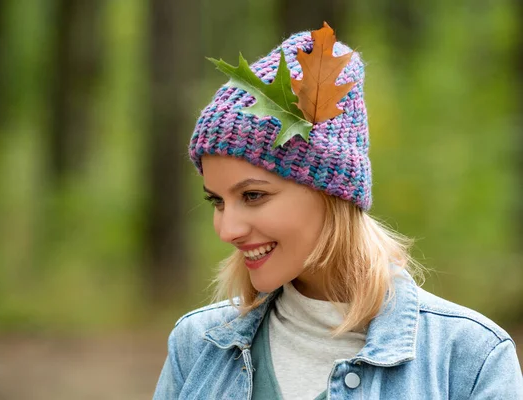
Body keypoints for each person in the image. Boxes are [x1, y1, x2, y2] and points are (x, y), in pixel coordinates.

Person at [153, 23, 523, 399]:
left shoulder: (468, 359)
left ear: (331, 191)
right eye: (217, 201)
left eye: (252, 196)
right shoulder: (196, 347)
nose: (227, 229)